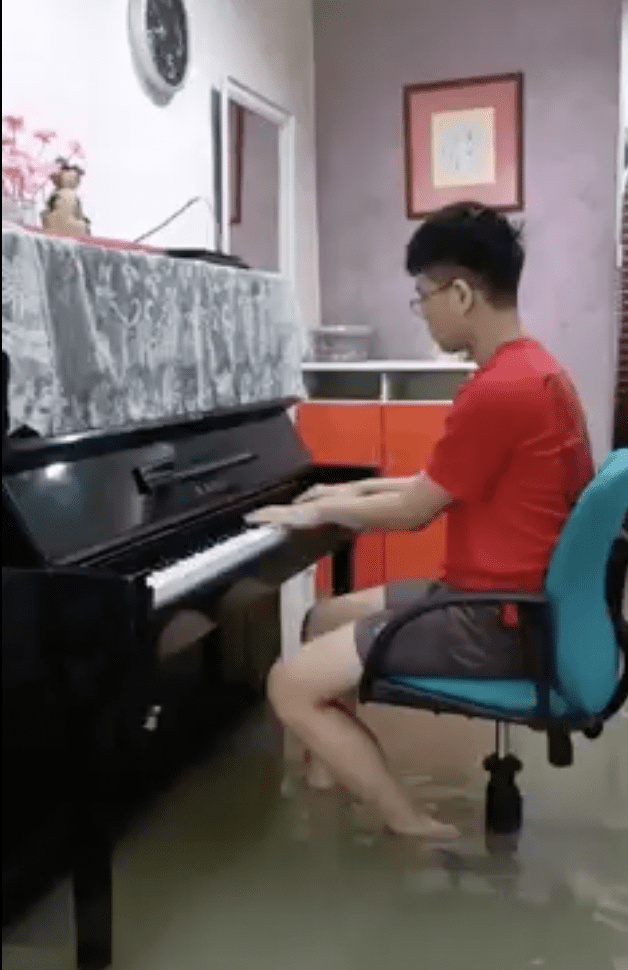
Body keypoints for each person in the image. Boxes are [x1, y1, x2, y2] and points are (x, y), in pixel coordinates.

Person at [246, 202, 594, 839]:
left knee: (288, 686)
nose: (423, 312)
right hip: (506, 598)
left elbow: (414, 512)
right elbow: (437, 483)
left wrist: (318, 510)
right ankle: (332, 778)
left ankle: (410, 826)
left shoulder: (498, 390)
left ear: (461, 294)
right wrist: (345, 489)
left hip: (493, 619)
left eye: (423, 296)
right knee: (323, 616)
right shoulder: (537, 370)